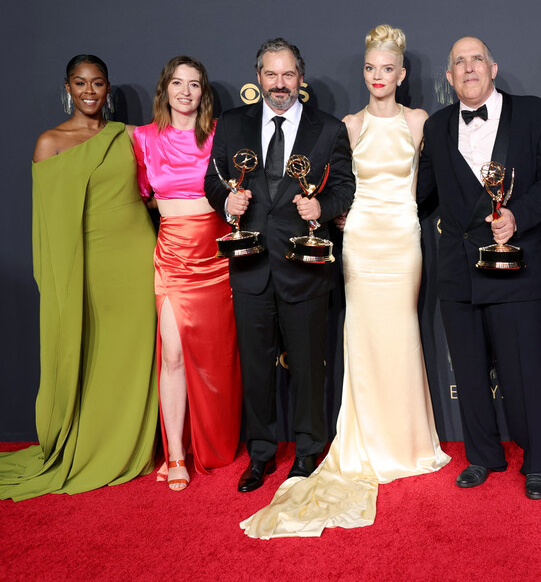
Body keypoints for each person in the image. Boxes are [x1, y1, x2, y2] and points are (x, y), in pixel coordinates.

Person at [241, 25, 450, 538]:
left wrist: (403, 213)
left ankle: (405, 442)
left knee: (400, 335)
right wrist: (335, 215)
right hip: (357, 243)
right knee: (359, 336)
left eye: (387, 69)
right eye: (370, 68)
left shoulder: (421, 121)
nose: (378, 77)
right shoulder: (348, 126)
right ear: (364, 72)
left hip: (401, 242)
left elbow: (434, 183)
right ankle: (361, 439)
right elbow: (337, 186)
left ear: (402, 73)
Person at [417, 36, 541, 500]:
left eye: (476, 60)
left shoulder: (536, 113)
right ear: (448, 78)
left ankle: (538, 461)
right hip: (457, 268)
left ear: (493, 67)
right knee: (466, 369)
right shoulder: (438, 125)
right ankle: (483, 455)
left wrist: (517, 215)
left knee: (523, 369)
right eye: (459, 63)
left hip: (513, 262)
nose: (468, 68)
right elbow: (421, 196)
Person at [0, 55, 158, 501]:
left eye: (98, 83)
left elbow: (157, 186)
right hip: (86, 261)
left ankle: (130, 445)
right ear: (67, 88)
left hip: (133, 257)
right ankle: (89, 442)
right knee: (92, 353)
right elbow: (48, 224)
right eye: (80, 83)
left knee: (131, 353)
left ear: (108, 89)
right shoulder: (49, 143)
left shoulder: (126, 136)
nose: (89, 91)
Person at [204, 38, 354, 493]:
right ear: (258, 78)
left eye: (288, 75)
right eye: (271, 74)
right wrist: (225, 199)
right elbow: (213, 179)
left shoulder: (327, 129)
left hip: (305, 265)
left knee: (309, 366)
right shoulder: (231, 124)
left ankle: (309, 451)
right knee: (255, 367)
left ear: (301, 79)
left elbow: (345, 187)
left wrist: (322, 209)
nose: (280, 83)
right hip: (250, 265)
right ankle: (262, 454)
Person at [132, 56, 242, 491]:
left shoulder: (220, 136)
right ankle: (176, 452)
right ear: (165, 88)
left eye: (194, 84)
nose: (185, 91)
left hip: (216, 259)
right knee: (173, 355)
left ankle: (213, 443)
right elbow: (142, 198)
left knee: (216, 361)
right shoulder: (142, 139)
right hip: (174, 259)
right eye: (177, 83)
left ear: (204, 92)